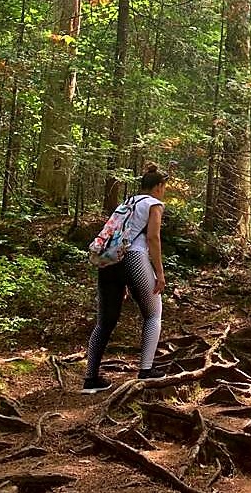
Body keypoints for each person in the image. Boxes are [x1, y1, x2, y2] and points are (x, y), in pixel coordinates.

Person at [83, 163, 168, 393]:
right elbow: (153, 238)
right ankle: (146, 370)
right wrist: (159, 273)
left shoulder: (127, 202)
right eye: (164, 187)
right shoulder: (154, 204)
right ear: (158, 186)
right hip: (134, 258)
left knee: (105, 321)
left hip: (109, 261)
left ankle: (90, 379)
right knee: (153, 313)